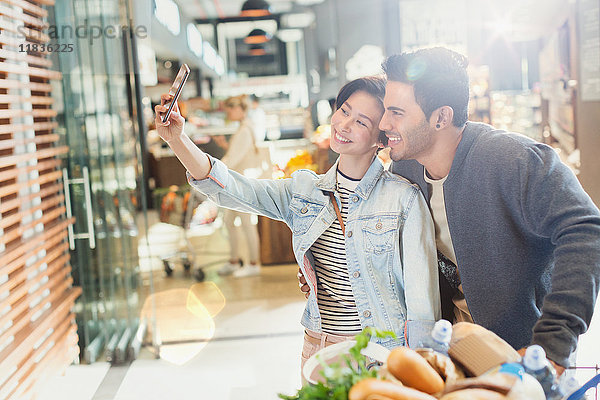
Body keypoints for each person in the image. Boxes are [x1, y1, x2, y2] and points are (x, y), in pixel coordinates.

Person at [300, 47, 600, 374]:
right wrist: (323, 268)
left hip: (521, 360)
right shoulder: (405, 174)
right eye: (386, 110)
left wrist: (556, 341)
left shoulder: (514, 160)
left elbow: (585, 230)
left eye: (397, 112)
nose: (384, 124)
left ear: (441, 117)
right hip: (443, 360)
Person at [154, 76, 441, 366]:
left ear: (380, 139)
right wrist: (177, 139)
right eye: (344, 111)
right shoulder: (304, 192)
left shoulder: (403, 199)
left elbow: (422, 305)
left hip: (381, 354)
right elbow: (230, 188)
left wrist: (421, 369)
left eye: (361, 122)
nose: (344, 125)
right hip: (321, 348)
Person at [211, 95, 263, 278]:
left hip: (241, 184)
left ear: (240, 109)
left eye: (230, 109)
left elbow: (234, 159)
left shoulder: (244, 130)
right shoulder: (244, 128)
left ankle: (254, 263)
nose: (228, 113)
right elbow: (236, 154)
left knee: (246, 223)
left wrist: (212, 170)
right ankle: (234, 260)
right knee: (229, 221)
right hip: (236, 183)